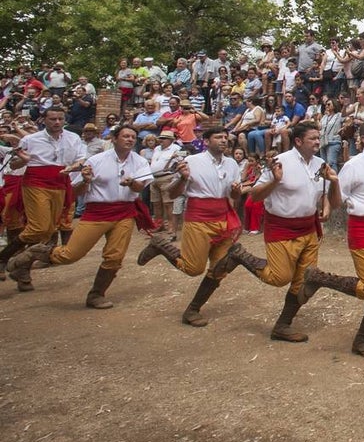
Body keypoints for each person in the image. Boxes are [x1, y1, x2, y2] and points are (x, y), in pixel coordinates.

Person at [210, 122, 340, 342]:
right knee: (279, 277)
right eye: (313, 138)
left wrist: (332, 187)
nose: (318, 142)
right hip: (282, 227)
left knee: (303, 281)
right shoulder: (281, 162)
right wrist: (275, 180)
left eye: (319, 138)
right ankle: (239, 255)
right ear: (298, 141)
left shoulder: (320, 164)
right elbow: (256, 196)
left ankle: (283, 326)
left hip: (308, 229)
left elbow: (330, 200)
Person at [295, 118, 364, 360]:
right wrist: (332, 188)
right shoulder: (354, 165)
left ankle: (361, 339)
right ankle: (320, 278)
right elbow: (337, 200)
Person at [7, 125, 154, 308]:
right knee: (70, 255)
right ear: (114, 139)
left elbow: (140, 187)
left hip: (124, 212)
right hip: (97, 213)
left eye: (133, 136)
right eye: (125, 136)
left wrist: (132, 182)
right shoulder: (96, 160)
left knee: (115, 257)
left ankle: (96, 295)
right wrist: (85, 181)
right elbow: (75, 191)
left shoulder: (139, 161)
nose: (130, 139)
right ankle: (34, 252)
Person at [136, 126, 242, 326]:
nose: (223, 140)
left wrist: (237, 191)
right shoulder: (191, 162)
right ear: (206, 141)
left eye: (226, 137)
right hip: (198, 218)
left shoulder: (232, 164)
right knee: (193, 268)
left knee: (220, 269)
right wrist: (183, 178)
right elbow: (174, 193)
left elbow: (234, 195)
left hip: (223, 218)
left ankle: (193, 309)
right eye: (218, 137)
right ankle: (161, 245)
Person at [6, 107, 85, 289]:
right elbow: (14, 163)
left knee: (48, 230)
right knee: (38, 227)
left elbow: (82, 159)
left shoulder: (73, 138)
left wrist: (73, 167)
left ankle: (22, 270)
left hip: (60, 182)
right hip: (36, 181)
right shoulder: (30, 139)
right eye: (52, 119)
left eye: (60, 119)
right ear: (44, 120)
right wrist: (24, 160)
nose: (57, 122)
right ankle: (3, 258)